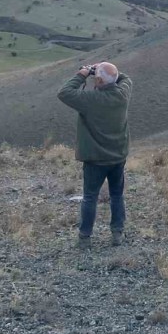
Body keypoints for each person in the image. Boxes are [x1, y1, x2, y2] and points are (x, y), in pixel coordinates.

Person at [57, 62, 133, 249]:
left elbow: (64, 92)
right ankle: (117, 233)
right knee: (117, 195)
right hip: (118, 157)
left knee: (90, 197)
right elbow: (125, 78)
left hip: (95, 159)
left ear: (98, 80)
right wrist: (106, 69)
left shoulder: (90, 100)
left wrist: (84, 73)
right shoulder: (122, 94)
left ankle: (85, 237)